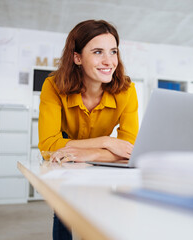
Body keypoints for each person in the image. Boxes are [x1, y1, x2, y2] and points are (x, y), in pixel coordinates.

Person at [38, 19, 139, 240]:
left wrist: (91, 153)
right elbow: (48, 144)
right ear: (77, 58)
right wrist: (106, 141)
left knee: (97, 210)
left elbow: (130, 149)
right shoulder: (53, 86)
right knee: (63, 207)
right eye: (97, 52)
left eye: (113, 52)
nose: (108, 61)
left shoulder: (127, 91)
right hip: (67, 151)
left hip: (90, 156)